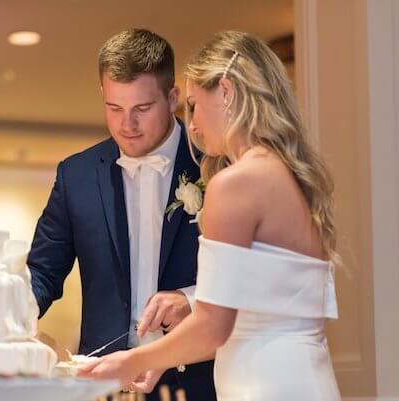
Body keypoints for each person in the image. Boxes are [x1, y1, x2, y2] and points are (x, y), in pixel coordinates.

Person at [79, 30, 342, 401]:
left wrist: (128, 361)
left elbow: (213, 326)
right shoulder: (293, 176)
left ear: (227, 91)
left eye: (193, 105)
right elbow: (245, 322)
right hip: (306, 380)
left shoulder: (236, 183)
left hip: (262, 387)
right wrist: (162, 359)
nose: (194, 125)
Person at [27, 29, 216, 401]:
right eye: (114, 108)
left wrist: (192, 298)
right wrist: (8, 317)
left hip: (199, 381)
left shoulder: (213, 164)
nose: (126, 125)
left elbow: (249, 278)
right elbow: (42, 272)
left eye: (142, 109)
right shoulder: (76, 175)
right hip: (107, 384)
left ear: (173, 97)